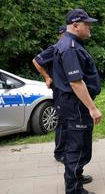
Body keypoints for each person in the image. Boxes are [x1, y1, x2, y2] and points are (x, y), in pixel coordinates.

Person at [52, 9, 102, 194]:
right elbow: (75, 82)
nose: (90, 27)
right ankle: (74, 190)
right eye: (87, 24)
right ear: (75, 25)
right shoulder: (70, 48)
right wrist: (93, 108)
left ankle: (77, 176)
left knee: (75, 144)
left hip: (69, 104)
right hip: (76, 107)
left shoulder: (66, 43)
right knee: (78, 147)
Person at [33, 25, 67, 163]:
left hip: (66, 91)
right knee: (63, 121)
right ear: (61, 35)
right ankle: (59, 153)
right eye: (64, 34)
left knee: (67, 121)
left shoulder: (67, 49)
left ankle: (67, 150)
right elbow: (36, 61)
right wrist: (47, 77)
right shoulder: (54, 48)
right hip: (59, 91)